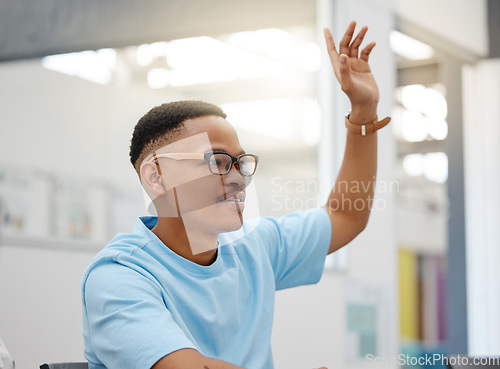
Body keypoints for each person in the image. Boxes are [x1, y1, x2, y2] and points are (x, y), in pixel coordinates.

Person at [82, 21, 390, 369]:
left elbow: (346, 216)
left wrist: (363, 113)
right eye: (217, 161)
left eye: (240, 163)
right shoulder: (119, 276)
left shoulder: (250, 247)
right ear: (156, 176)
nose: (238, 179)